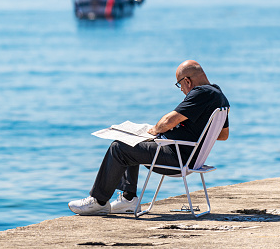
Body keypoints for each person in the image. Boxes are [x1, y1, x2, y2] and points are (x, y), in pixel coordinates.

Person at [68, 60, 230, 216]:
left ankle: (98, 202)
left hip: (177, 158)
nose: (181, 89)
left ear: (187, 81)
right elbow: (223, 135)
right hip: (191, 158)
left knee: (118, 148)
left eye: (179, 84)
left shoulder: (201, 92)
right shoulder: (219, 96)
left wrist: (154, 130)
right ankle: (128, 200)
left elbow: (168, 121)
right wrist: (191, 132)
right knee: (129, 141)